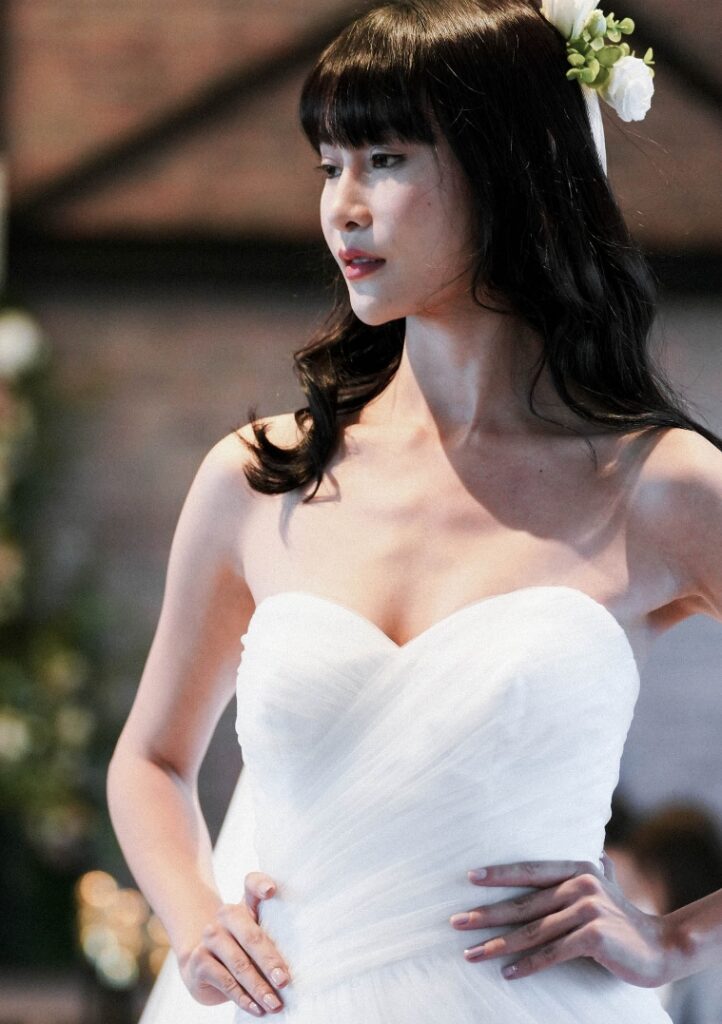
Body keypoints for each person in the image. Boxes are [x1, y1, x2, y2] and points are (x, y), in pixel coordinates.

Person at [106, 0, 722, 1021]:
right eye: (328, 166)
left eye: (385, 160)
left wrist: (674, 940)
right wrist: (194, 916)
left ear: (513, 171)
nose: (342, 207)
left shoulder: (660, 485)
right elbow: (152, 759)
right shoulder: (262, 480)